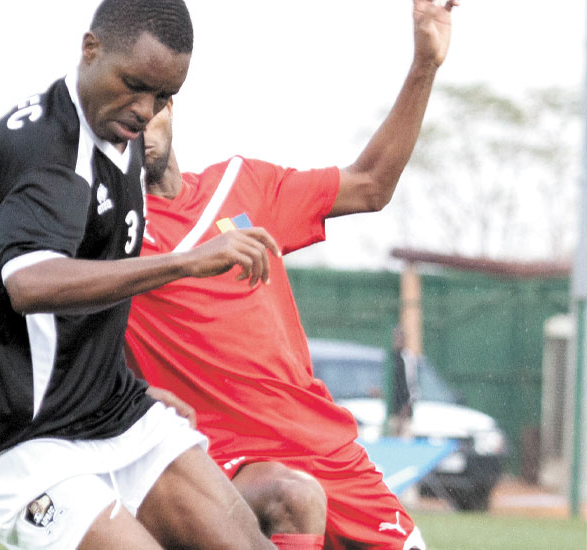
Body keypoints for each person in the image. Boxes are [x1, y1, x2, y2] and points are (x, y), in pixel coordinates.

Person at [0, 1, 283, 549]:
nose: (146, 109)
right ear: (90, 49)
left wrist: (129, 383)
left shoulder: (121, 139)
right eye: (135, 84)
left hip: (110, 411)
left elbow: (84, 298)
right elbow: (31, 286)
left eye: (164, 97)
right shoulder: (44, 149)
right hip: (14, 439)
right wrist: (185, 262)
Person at [124, 1, 458, 549]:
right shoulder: (107, 233)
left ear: (171, 104)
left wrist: (424, 63)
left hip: (327, 447)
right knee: (292, 495)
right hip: (223, 463)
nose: (138, 120)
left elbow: (371, 184)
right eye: (122, 106)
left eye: (151, 100)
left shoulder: (244, 183)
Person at [387, 325, 417, 438]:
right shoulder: (388, 358)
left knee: (405, 440)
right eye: (396, 338)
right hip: (391, 410)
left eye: (402, 338)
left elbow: (412, 383)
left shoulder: (408, 358)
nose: (399, 341)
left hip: (404, 408)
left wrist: (408, 404)